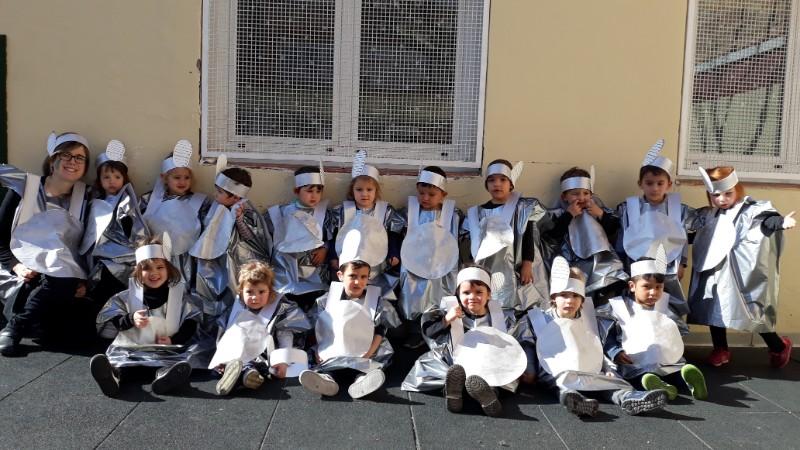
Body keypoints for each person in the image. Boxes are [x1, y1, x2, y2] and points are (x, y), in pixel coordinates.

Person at [513, 256, 667, 417]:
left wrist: (607, 369)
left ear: (582, 300)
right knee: (560, 383)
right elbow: (528, 345)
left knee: (610, 382)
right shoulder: (539, 319)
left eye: (575, 296)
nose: (570, 301)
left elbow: (596, 347)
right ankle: (574, 400)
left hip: (588, 369)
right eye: (564, 295)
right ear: (554, 298)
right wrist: (530, 369)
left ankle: (629, 398)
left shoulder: (589, 319)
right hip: (556, 370)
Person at [688, 166, 796, 368]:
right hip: (715, 270)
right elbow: (698, 236)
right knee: (714, 307)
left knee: (752, 310)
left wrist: (782, 222)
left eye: (727, 193)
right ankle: (721, 349)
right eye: (715, 195)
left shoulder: (752, 210)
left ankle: (778, 346)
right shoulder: (709, 215)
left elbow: (767, 221)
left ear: (737, 190)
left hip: (740, 273)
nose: (722, 199)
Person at [0, 132, 94, 355]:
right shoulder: (25, 188)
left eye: (80, 158)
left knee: (78, 330)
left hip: (63, 275)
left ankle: (17, 326)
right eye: (66, 155)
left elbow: (88, 247)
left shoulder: (86, 198)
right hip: (24, 270)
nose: (73, 162)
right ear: (52, 160)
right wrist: (15, 265)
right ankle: (17, 327)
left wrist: (86, 281)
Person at [401, 265, 525, 417]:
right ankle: (454, 393)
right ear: (458, 294)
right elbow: (429, 332)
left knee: (499, 377)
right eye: (466, 293)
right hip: (455, 361)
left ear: (489, 295)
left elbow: (511, 341)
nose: (472, 297)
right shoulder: (451, 311)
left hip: (489, 361)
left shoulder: (500, 315)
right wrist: (446, 320)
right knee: (449, 373)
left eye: (479, 292)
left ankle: (489, 397)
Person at [90, 237, 201, 396]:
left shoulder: (179, 298)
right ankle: (113, 377)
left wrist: (174, 340)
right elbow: (112, 318)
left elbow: (191, 322)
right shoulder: (127, 297)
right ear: (138, 272)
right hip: (131, 349)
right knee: (122, 364)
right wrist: (131, 318)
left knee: (172, 362)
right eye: (147, 268)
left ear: (169, 269)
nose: (154, 273)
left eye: (159, 267)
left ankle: (164, 377)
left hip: (165, 350)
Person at [188, 155, 272, 366]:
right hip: (214, 263)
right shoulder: (216, 206)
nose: (216, 195)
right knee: (209, 298)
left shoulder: (244, 209)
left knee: (231, 301)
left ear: (234, 196)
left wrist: (239, 219)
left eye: (220, 192)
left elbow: (252, 237)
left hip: (237, 265)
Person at [597, 247, 707, 401]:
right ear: (632, 286)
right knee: (635, 375)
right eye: (647, 287)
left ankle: (686, 378)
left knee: (674, 370)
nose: (653, 292)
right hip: (634, 361)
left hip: (664, 360)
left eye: (658, 287)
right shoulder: (618, 307)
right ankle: (657, 384)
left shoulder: (665, 306)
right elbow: (608, 335)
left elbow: (673, 332)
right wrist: (616, 352)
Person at [299, 255, 401, 399]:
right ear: (340, 275)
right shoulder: (326, 300)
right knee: (326, 364)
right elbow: (318, 327)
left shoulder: (376, 301)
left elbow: (380, 331)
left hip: (367, 348)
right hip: (331, 347)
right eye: (352, 276)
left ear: (368, 278)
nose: (358, 281)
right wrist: (318, 350)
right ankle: (327, 380)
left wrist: (369, 353)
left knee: (367, 363)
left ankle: (361, 380)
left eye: (363, 277)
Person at [615, 140, 694, 315]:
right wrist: (621, 263)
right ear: (640, 184)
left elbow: (682, 237)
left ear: (669, 184)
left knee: (666, 303)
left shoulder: (678, 209)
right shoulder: (629, 208)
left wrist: (682, 263)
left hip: (669, 266)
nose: (655, 188)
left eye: (660, 183)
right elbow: (624, 235)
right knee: (638, 303)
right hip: (636, 264)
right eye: (649, 183)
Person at [210, 261, 311, 396]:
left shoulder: (278, 308)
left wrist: (283, 361)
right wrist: (220, 356)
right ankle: (244, 375)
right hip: (237, 352)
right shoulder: (238, 307)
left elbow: (285, 335)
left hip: (263, 353)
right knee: (229, 363)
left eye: (261, 292)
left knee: (257, 364)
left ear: (270, 291)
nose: (255, 297)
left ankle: (244, 374)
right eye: (249, 292)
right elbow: (224, 333)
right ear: (241, 291)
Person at [461, 159, 550, 312]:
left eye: (503, 180)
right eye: (492, 180)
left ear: (511, 184)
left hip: (516, 267)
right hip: (487, 269)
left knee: (520, 305)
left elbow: (528, 237)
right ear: (486, 185)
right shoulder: (477, 213)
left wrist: (527, 264)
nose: (497, 184)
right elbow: (472, 243)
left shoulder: (522, 208)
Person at [396, 166, 462, 348]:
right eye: (421, 193)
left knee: (438, 298)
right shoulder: (409, 213)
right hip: (413, 266)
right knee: (413, 298)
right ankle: (415, 332)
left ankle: (437, 331)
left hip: (442, 267)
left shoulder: (453, 215)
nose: (425, 198)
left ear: (443, 195)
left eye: (431, 194)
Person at [542, 166, 627, 302]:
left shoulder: (597, 209)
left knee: (612, 282)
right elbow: (552, 237)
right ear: (564, 196)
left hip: (601, 261)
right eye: (575, 194)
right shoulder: (558, 214)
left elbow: (613, 230)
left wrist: (601, 214)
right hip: (573, 263)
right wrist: (569, 215)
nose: (581, 198)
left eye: (586, 193)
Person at [81, 139, 149, 310]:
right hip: (98, 257)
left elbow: (133, 226)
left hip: (120, 258)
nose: (112, 181)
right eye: (106, 177)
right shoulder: (94, 201)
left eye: (117, 177)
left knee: (115, 289)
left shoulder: (126, 201)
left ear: (124, 179)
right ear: (99, 179)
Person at [329, 150, 405, 300]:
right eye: (359, 190)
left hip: (378, 264)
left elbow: (392, 235)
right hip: (350, 268)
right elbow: (335, 235)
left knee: (375, 295)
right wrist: (332, 256)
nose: (364, 194)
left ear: (376, 191)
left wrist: (393, 253)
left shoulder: (385, 211)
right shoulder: (343, 211)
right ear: (352, 191)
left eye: (369, 190)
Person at [140, 140, 212, 284]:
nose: (182, 182)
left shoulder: (200, 202)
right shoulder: (149, 200)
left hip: (187, 259)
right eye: (177, 177)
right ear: (164, 178)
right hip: (156, 259)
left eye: (186, 177)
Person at [266, 164, 333, 311]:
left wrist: (325, 249)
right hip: (286, 268)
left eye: (318, 191)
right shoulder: (283, 212)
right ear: (297, 191)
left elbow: (331, 236)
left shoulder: (324, 214)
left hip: (314, 269)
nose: (314, 195)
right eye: (309, 191)